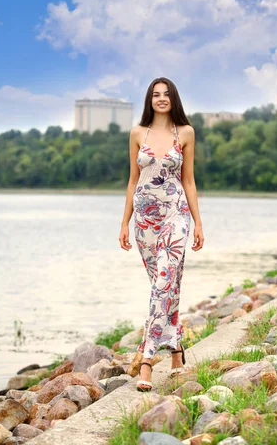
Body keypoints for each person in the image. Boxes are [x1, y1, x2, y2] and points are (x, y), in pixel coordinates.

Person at [119, 77, 204, 391]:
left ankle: (146, 361)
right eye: (156, 95)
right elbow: (132, 181)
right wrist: (124, 223)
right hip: (144, 223)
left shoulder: (186, 133)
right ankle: (177, 352)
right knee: (165, 287)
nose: (161, 99)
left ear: (174, 98)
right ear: (149, 100)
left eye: (166, 94)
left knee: (164, 282)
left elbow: (190, 181)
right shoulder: (137, 133)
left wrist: (198, 223)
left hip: (176, 216)